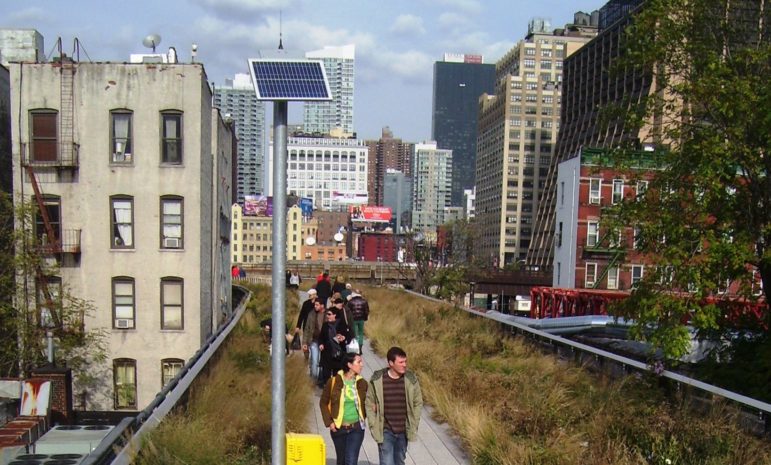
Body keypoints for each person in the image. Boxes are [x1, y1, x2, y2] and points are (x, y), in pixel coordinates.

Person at [366, 346, 423, 465]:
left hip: (403, 431)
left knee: (399, 462)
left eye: (405, 361)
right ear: (391, 363)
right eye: (401, 362)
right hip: (385, 430)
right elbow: (369, 402)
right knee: (386, 462)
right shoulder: (377, 379)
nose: (404, 365)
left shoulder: (411, 379)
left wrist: (414, 421)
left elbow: (418, 402)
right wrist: (373, 424)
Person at [319, 352, 368, 465]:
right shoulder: (333, 382)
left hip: (356, 428)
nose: (362, 364)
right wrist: (329, 422)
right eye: (359, 362)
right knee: (341, 461)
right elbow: (323, 403)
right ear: (349, 365)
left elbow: (368, 402)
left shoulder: (362, 383)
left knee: (351, 461)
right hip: (339, 428)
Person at [317, 305, 353, 386]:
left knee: (337, 377)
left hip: (338, 356)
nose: (327, 316)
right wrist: (321, 344)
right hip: (327, 354)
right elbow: (321, 337)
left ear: (335, 315)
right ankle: (327, 391)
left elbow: (350, 336)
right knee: (326, 376)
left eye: (329, 314)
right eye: (327, 314)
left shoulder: (342, 325)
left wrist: (343, 338)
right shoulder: (325, 325)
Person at [303, 298, 326, 381]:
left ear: (322, 306)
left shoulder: (328, 315)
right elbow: (307, 329)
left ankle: (320, 379)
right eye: (315, 304)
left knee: (321, 362)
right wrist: (304, 342)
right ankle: (313, 380)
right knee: (314, 361)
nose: (315, 306)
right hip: (314, 341)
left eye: (317, 305)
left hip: (325, 343)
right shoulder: (311, 314)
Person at [346, 290, 369, 354]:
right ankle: (360, 347)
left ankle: (355, 348)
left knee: (355, 333)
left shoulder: (350, 302)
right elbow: (367, 310)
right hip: (361, 319)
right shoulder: (364, 301)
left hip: (353, 319)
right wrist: (365, 318)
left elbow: (347, 311)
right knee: (361, 333)